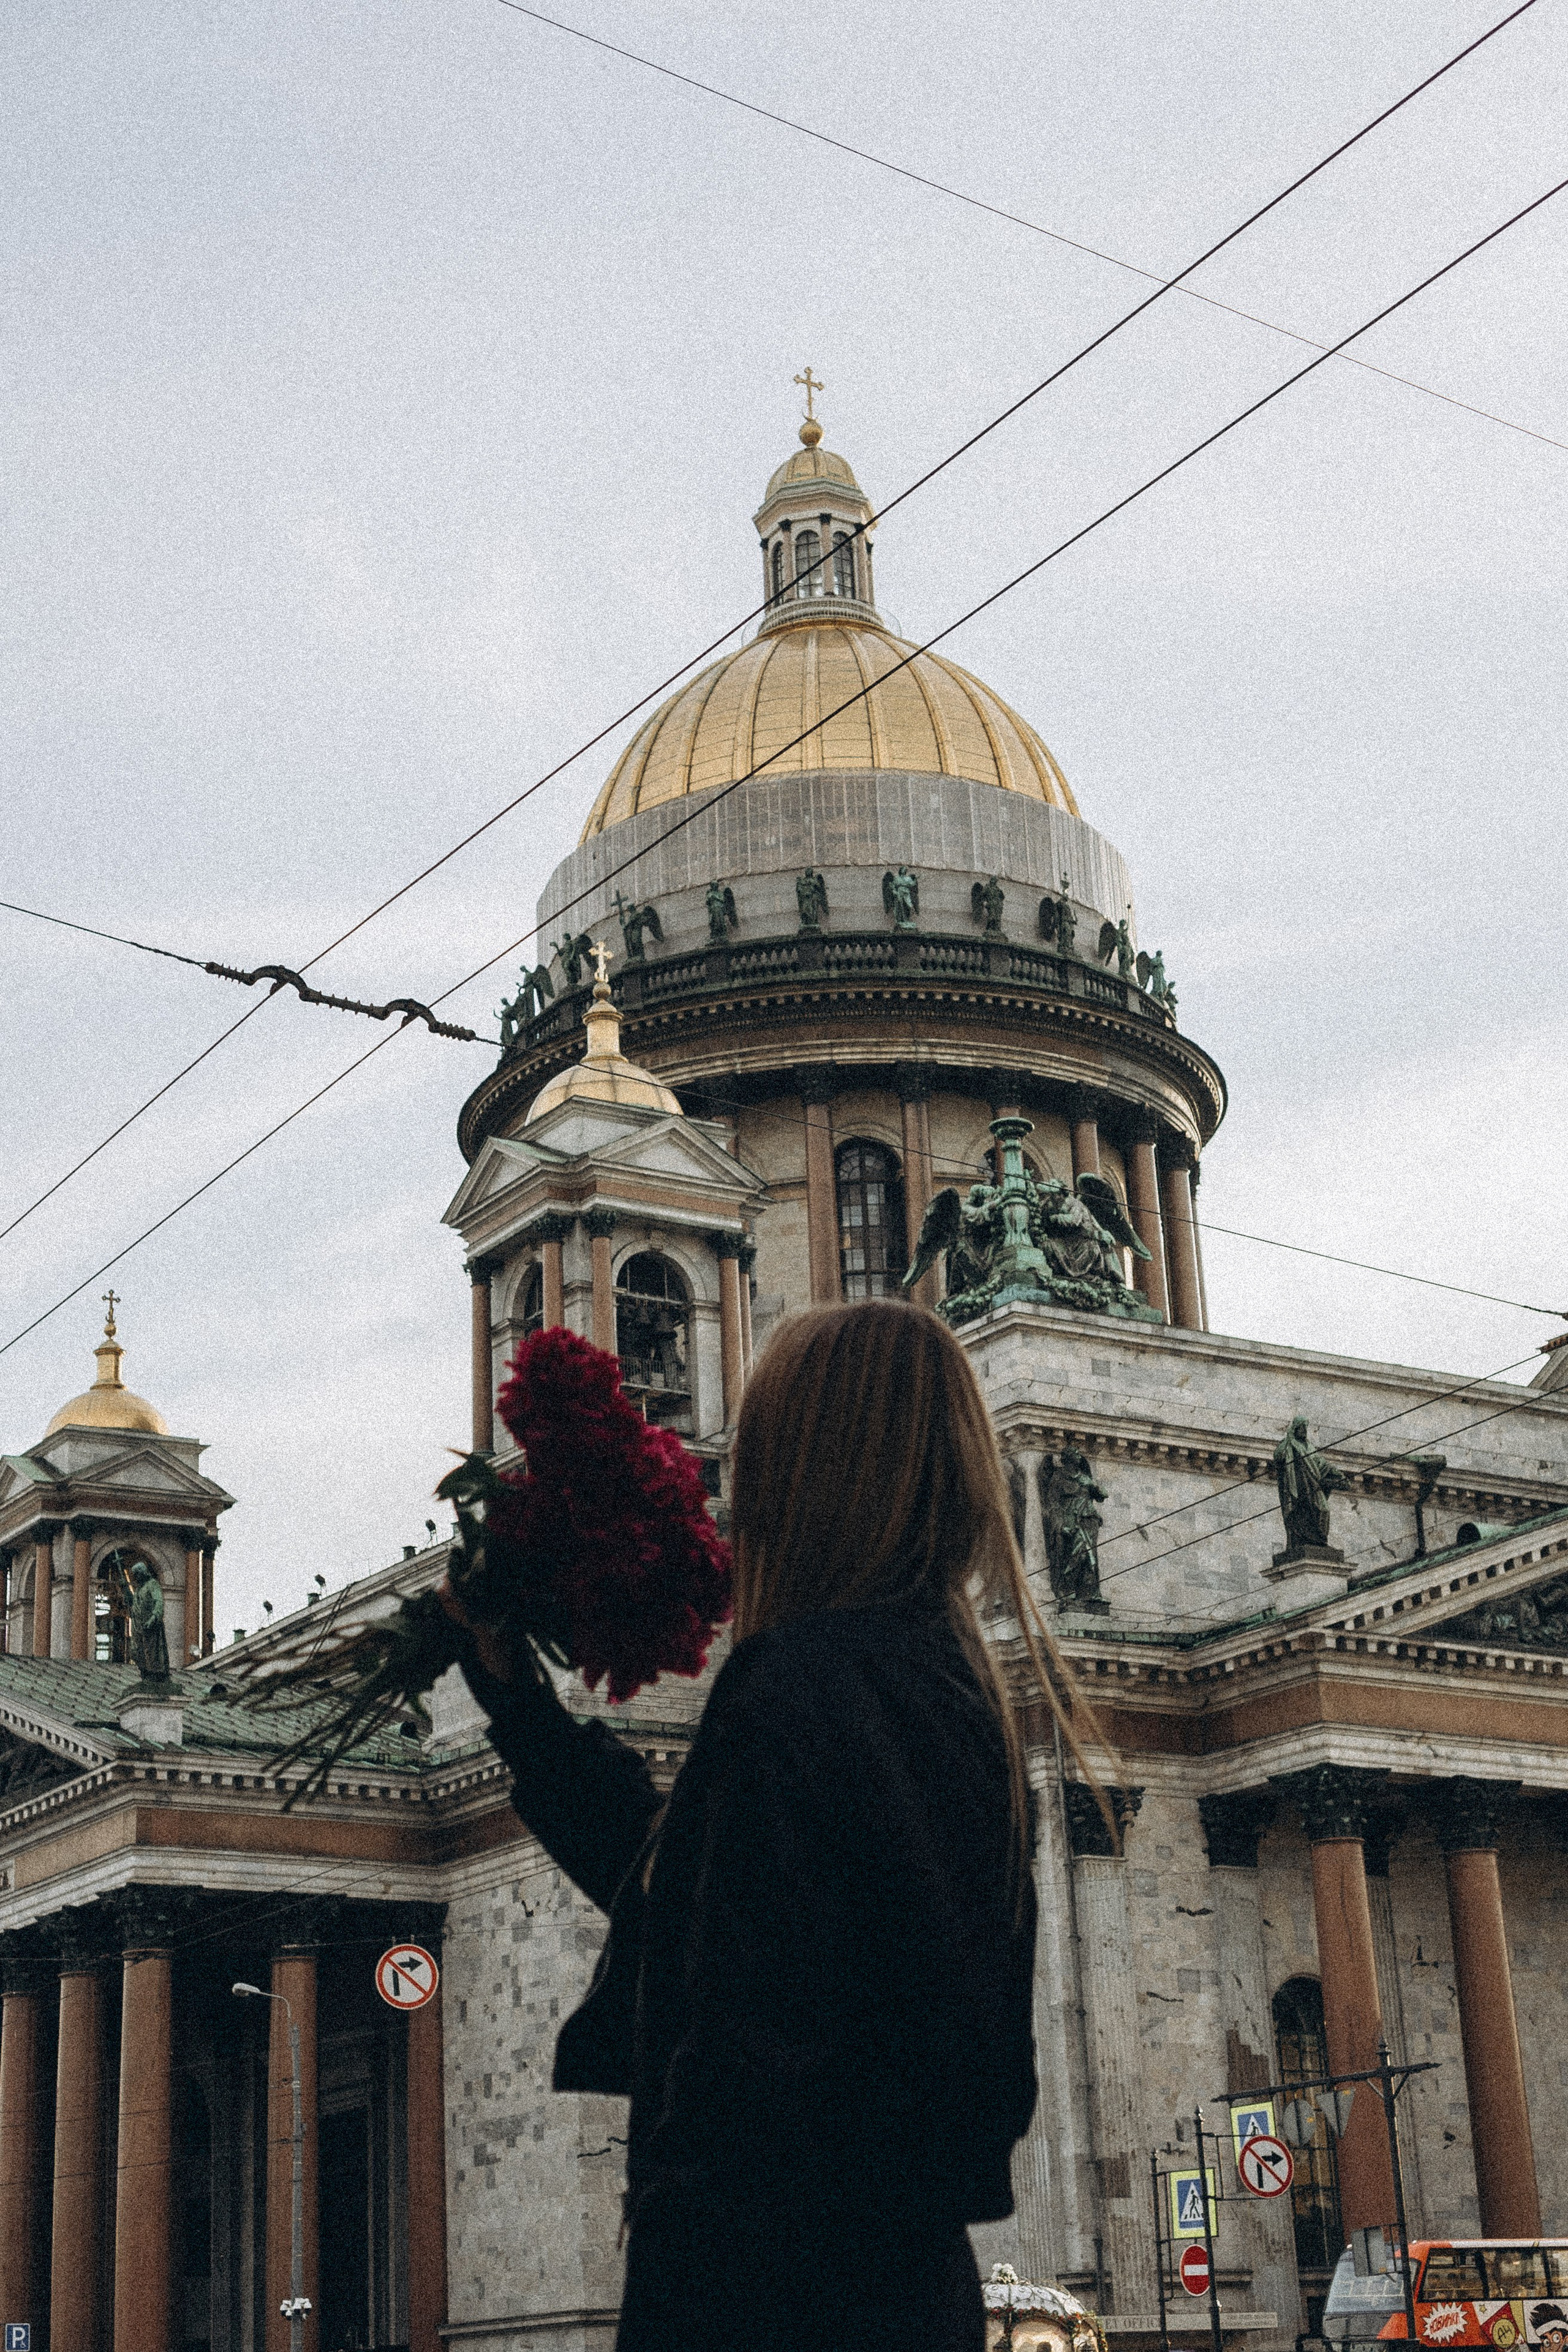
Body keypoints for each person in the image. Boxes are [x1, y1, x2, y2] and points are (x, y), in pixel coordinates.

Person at [448, 1299, 1109, 2352]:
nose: (734, 1489)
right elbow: (686, 1890)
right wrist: (522, 1710)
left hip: (769, 2295)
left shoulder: (795, 1685)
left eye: (758, 1451)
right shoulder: (947, 1692)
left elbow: (745, 2078)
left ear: (811, 1475)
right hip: (904, 2289)